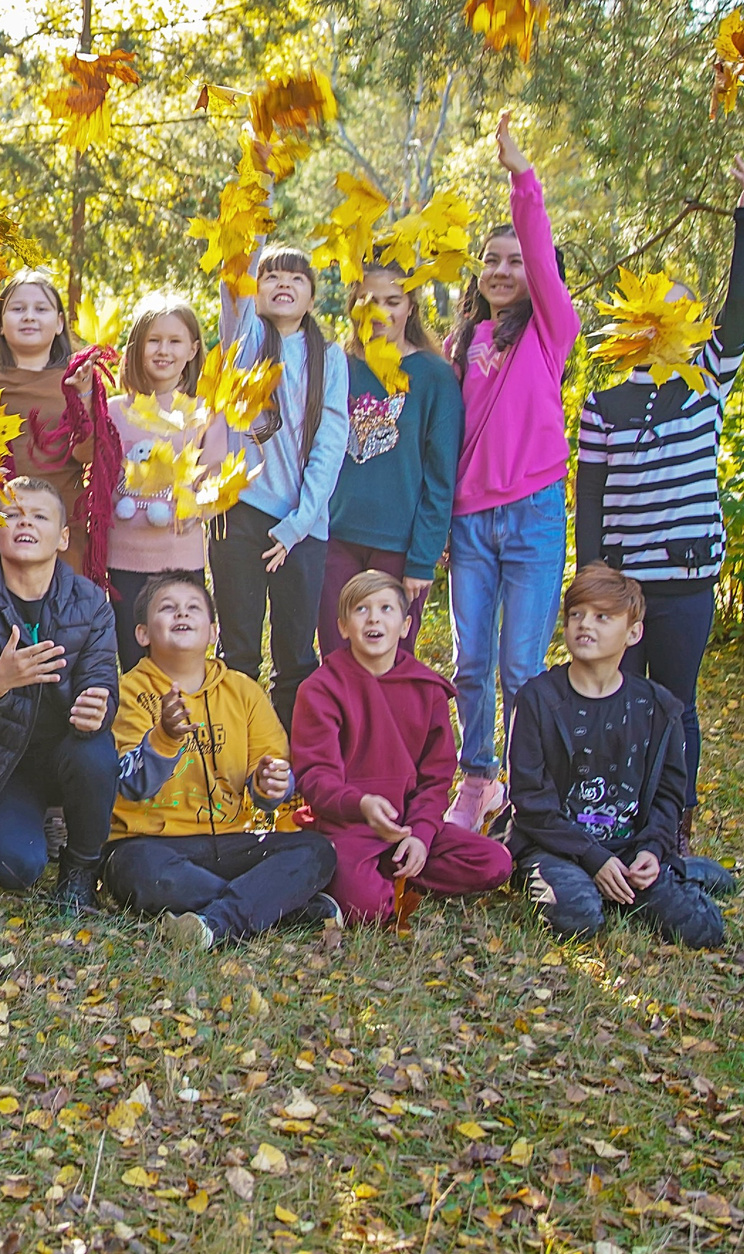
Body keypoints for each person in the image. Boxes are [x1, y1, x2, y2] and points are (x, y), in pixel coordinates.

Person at [576, 152, 744, 864]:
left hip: (686, 580)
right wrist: (592, 572)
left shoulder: (707, 379)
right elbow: (589, 491)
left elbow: (742, 301)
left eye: (688, 311)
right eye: (665, 310)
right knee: (616, 701)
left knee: (675, 704)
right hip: (626, 584)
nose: (676, 321)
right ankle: (617, 815)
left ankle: (675, 818)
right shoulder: (603, 400)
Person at [444, 112, 580, 830]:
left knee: (520, 666)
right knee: (470, 663)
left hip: (531, 517)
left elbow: (537, 244)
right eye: (490, 261)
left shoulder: (551, 332)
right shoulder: (459, 345)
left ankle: (528, 789)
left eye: (514, 260)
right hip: (469, 523)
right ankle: (477, 779)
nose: (502, 270)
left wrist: (520, 178)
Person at [102, 572, 340, 950]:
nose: (182, 613)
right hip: (149, 844)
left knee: (316, 850)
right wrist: (163, 738)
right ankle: (284, 909)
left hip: (231, 841)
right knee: (139, 873)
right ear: (142, 634)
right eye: (168, 608)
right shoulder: (127, 692)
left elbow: (271, 780)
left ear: (213, 632)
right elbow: (130, 783)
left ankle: (214, 923)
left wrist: (270, 783)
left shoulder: (243, 690)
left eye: (193, 607)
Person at [505, 566, 725, 948]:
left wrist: (652, 851)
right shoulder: (538, 699)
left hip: (628, 846)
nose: (584, 624)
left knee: (703, 930)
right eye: (576, 614)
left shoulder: (658, 707)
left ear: (633, 632)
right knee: (578, 918)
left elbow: (669, 796)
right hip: (556, 846)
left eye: (602, 616)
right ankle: (603, 883)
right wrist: (593, 858)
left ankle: (680, 872)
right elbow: (529, 802)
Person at [291, 570, 512, 925]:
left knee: (494, 862)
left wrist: (422, 834)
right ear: (343, 627)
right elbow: (315, 777)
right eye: (361, 609)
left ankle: (396, 865)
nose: (374, 617)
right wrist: (360, 804)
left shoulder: (426, 688)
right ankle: (356, 875)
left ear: (406, 625)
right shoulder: (321, 689)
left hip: (408, 824)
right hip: (347, 826)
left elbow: (436, 778)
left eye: (385, 609)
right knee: (369, 910)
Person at [0, 477, 123, 912]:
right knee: (16, 867)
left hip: (66, 753)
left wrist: (96, 706)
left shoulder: (91, 601)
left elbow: (102, 680)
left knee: (96, 752)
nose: (25, 522)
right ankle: (18, 827)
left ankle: (81, 870)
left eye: (40, 516)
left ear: (63, 537)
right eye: (12, 514)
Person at [216, 248, 351, 725]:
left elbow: (331, 446)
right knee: (239, 651)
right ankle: (234, 759)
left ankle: (289, 768)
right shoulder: (246, 339)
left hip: (303, 523)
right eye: (270, 276)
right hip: (241, 514)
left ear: (313, 294)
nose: (282, 284)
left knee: (296, 654)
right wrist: (258, 194)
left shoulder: (330, 359)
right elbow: (234, 286)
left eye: (296, 277)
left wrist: (297, 525)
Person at [320, 261, 461, 659]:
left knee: (390, 661)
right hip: (335, 537)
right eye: (367, 299)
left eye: (392, 300)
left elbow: (441, 477)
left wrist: (422, 559)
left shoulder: (434, 376)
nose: (379, 310)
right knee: (337, 656)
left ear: (411, 307)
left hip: (398, 545)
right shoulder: (338, 367)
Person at [0, 268, 118, 578]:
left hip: (64, 533)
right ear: (0, 323)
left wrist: (86, 397)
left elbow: (90, 456)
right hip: (0, 532)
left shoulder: (79, 375)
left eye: (41, 309)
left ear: (59, 322)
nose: (29, 317)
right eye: (17, 308)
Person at [103, 294, 225, 669]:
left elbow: (218, 478)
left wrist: (200, 510)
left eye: (175, 341)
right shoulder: (114, 410)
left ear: (192, 349)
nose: (164, 350)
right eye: (154, 341)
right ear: (137, 348)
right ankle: (139, 727)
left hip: (179, 557)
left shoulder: (204, 413)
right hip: (124, 558)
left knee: (180, 656)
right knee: (133, 656)